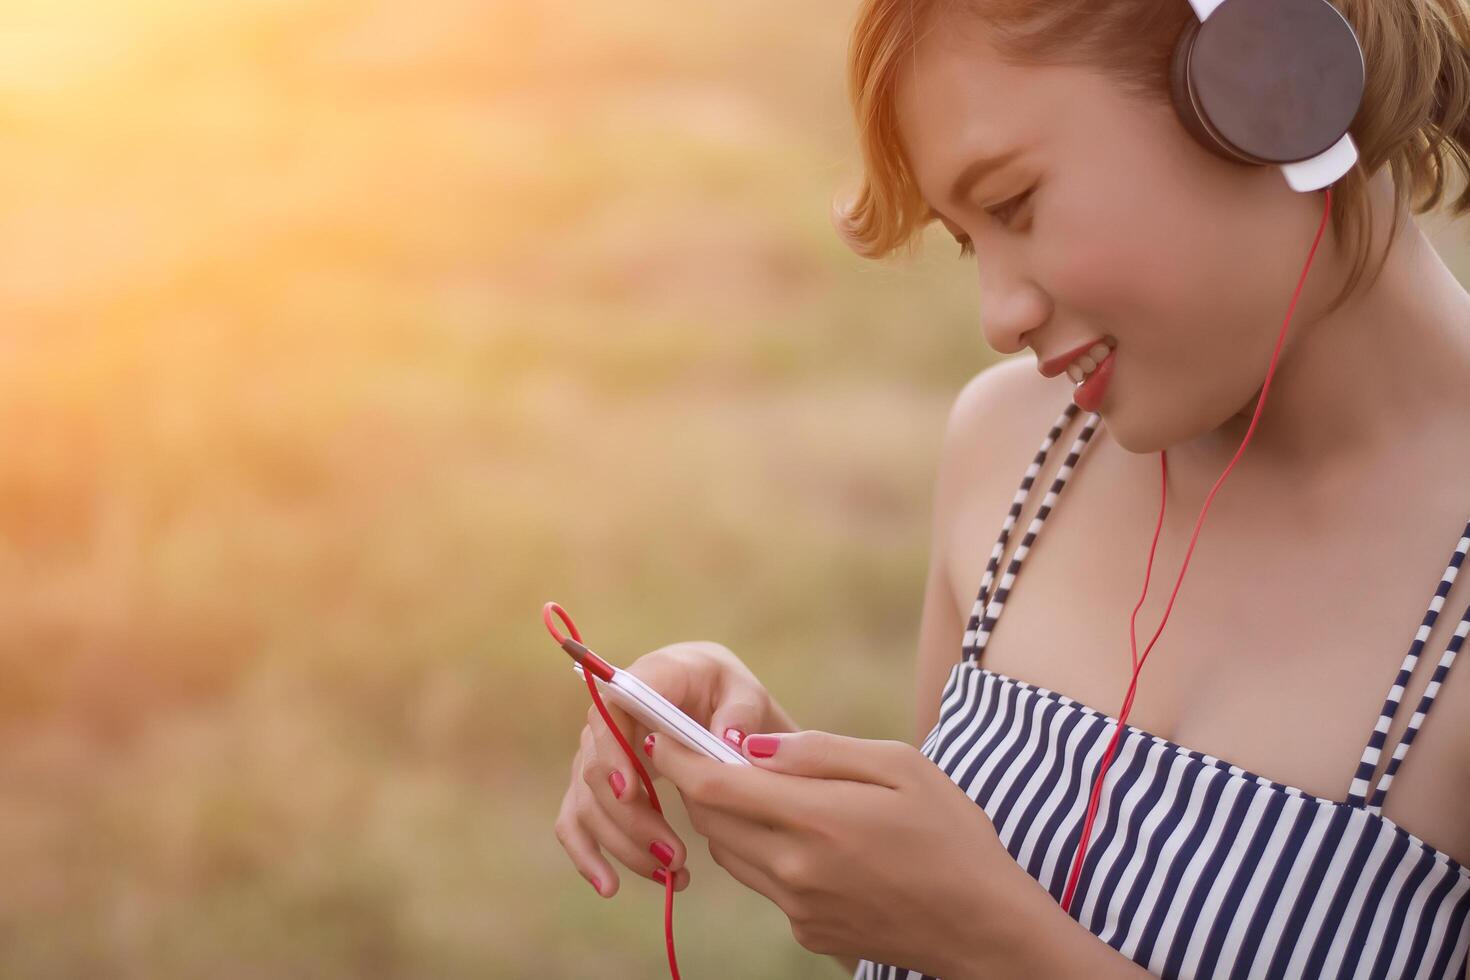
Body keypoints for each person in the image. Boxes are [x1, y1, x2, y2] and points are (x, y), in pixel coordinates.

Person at [552, 0, 1470, 976]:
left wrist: (1000, 943)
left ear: (1271, 85)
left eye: (1015, 205)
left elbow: (975, 930)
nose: (1000, 315)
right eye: (965, 240)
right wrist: (786, 788)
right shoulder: (1010, 450)